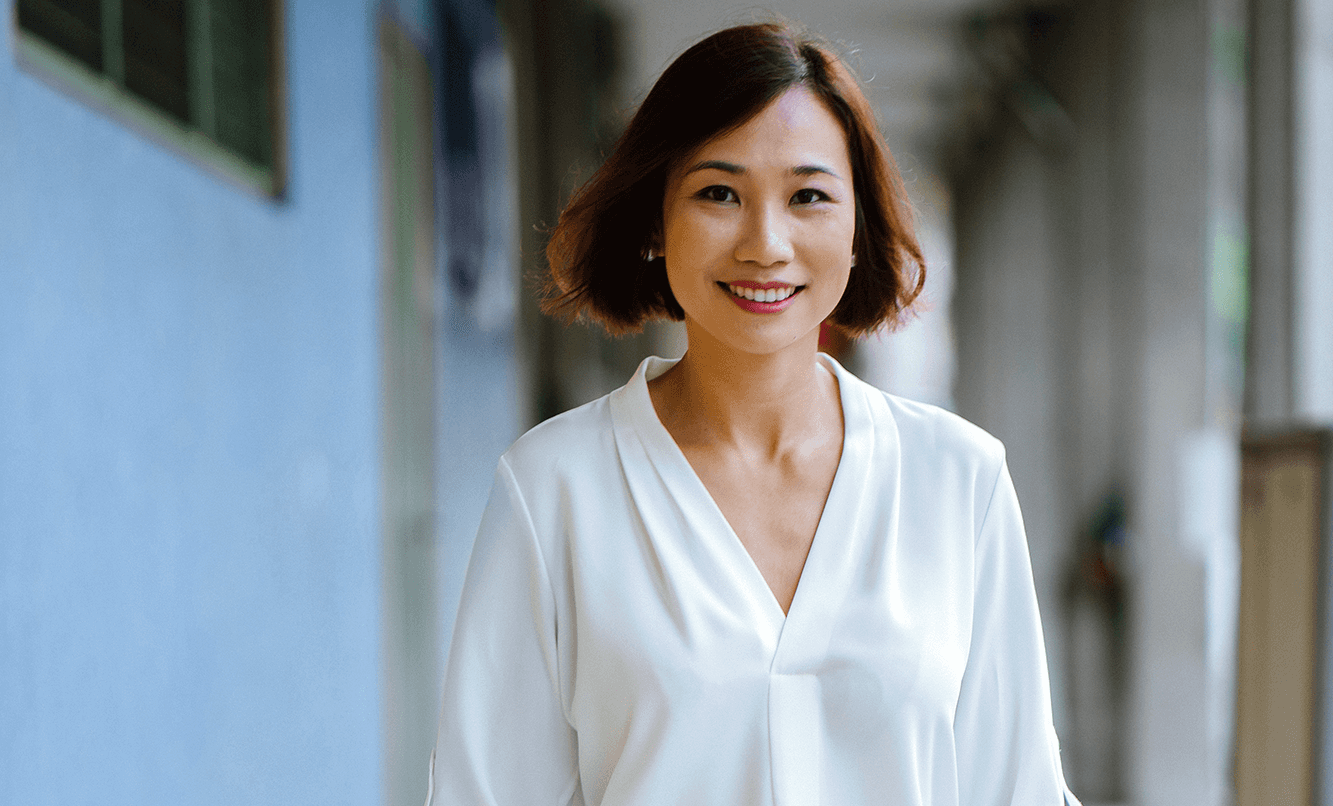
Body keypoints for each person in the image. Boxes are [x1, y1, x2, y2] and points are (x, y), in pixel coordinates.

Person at [427, 22, 1077, 806]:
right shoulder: (555, 489)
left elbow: (1017, 790)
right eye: (718, 193)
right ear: (656, 224)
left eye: (808, 196)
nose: (765, 243)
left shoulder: (959, 482)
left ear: (856, 226)